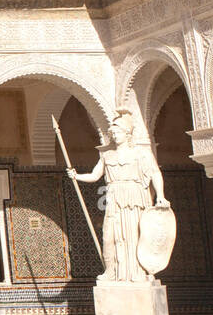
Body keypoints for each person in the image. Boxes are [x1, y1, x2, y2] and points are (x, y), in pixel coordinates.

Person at [66, 110, 169, 283]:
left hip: (134, 196)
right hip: (114, 197)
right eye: (112, 133)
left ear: (127, 133)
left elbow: (155, 173)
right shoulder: (107, 155)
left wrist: (160, 195)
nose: (114, 136)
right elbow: (94, 175)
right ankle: (112, 271)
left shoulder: (141, 153)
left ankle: (138, 271)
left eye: (117, 132)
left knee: (134, 235)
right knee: (111, 236)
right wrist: (76, 176)